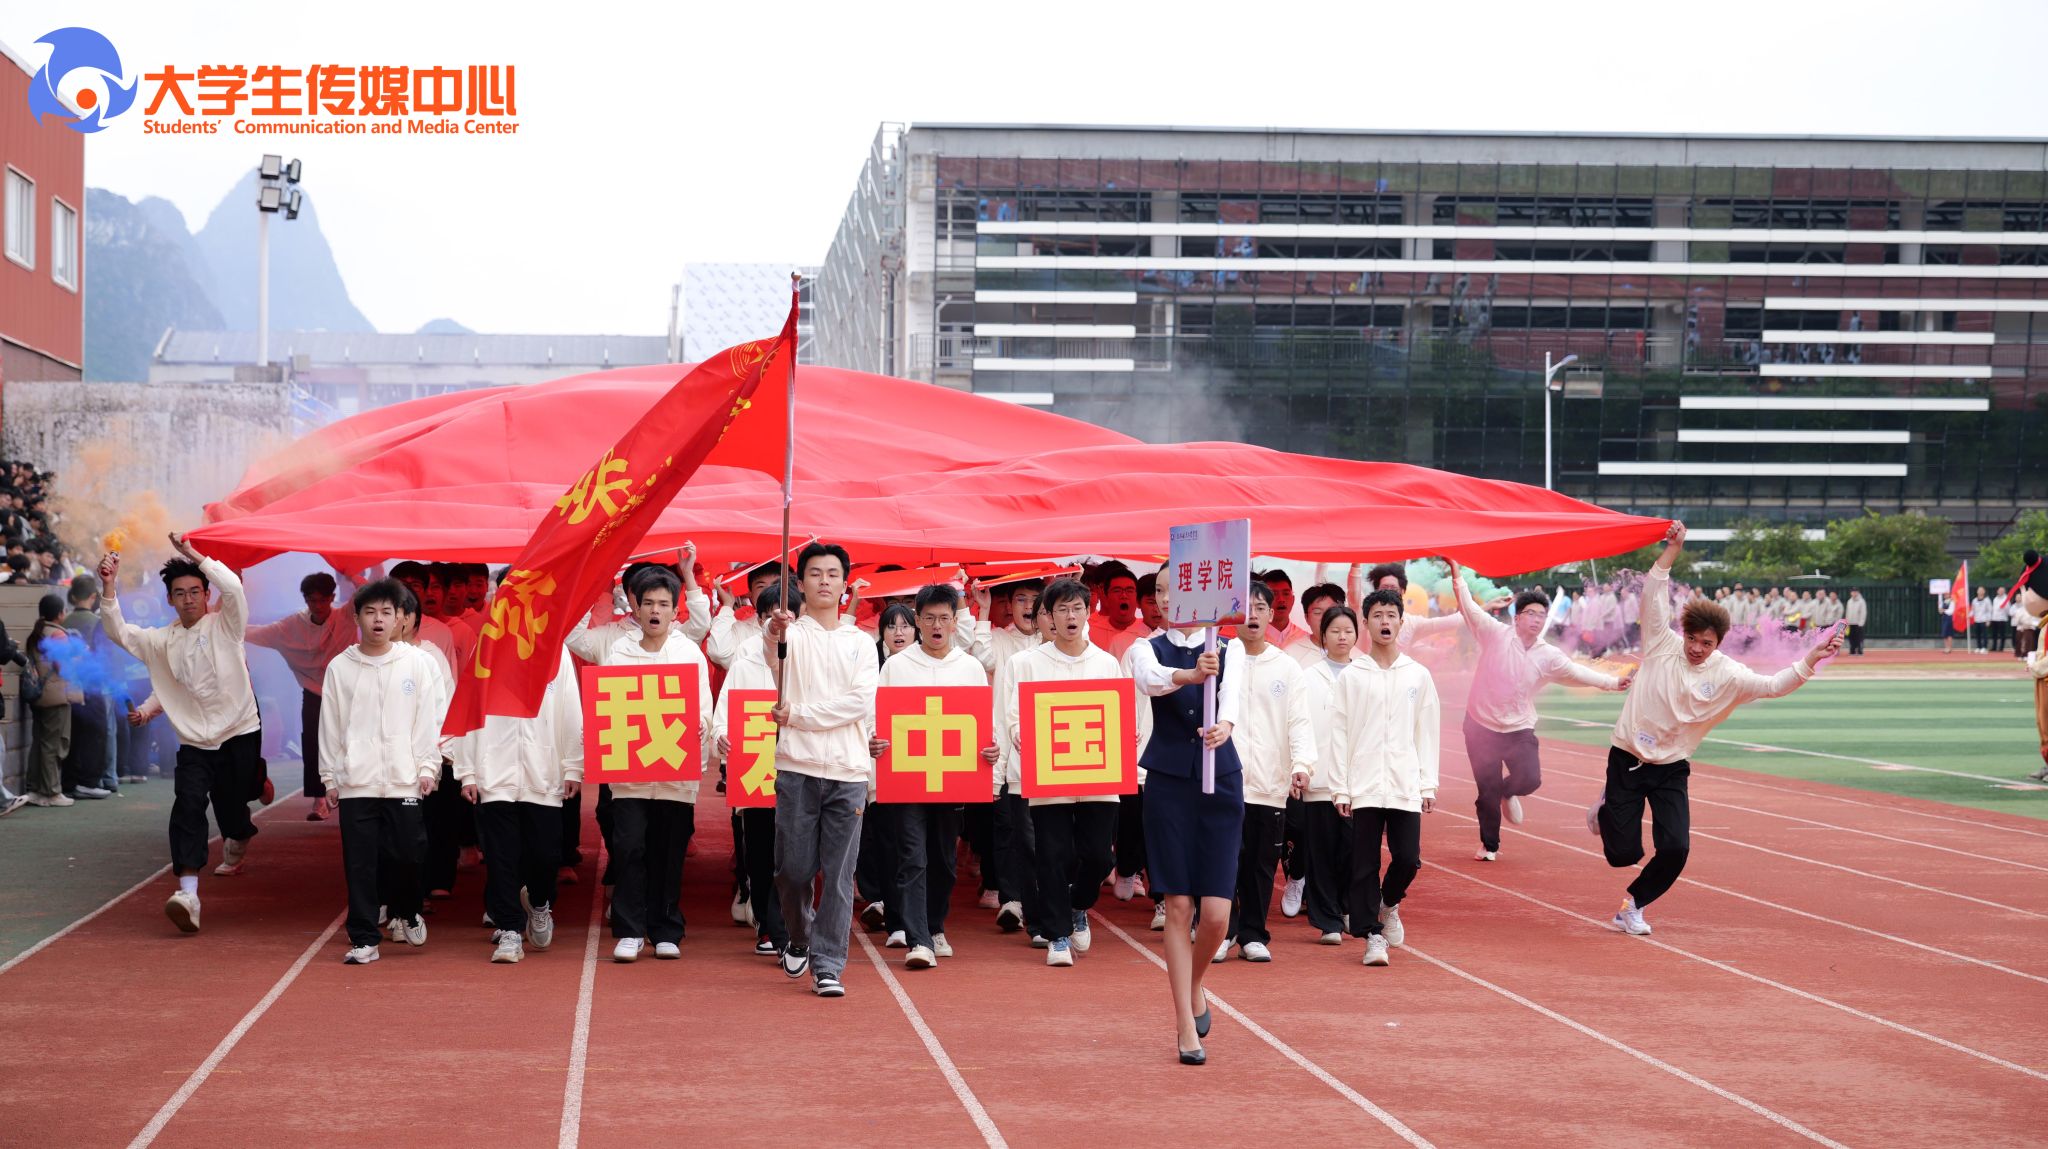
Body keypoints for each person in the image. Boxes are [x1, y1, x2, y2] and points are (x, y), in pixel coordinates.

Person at [1587, 523, 1843, 935]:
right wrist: (1673, 550)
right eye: (1692, 638)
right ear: (1683, 633)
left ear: (1718, 643)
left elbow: (1774, 686)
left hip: (1671, 767)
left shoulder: (1729, 675)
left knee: (1676, 847)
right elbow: (1653, 592)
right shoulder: (1661, 643)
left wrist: (1811, 659)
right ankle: (1605, 809)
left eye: (1706, 643)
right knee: (1622, 853)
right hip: (1627, 758)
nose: (1696, 648)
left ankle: (1633, 906)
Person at [98, 535, 265, 934]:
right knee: (188, 805)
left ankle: (241, 827)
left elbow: (233, 588)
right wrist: (109, 585)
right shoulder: (160, 641)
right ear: (170, 600)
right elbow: (119, 632)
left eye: (194, 592)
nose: (188, 599)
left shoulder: (226, 625)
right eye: (179, 594)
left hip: (240, 731)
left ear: (207, 594)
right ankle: (188, 894)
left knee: (232, 809)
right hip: (194, 744)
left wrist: (193, 554)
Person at [566, 564, 715, 963]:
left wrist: (700, 724)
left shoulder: (688, 652)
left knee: (668, 852)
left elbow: (702, 705)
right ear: (635, 606)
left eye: (663, 604)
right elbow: (609, 706)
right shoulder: (619, 651)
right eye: (648, 603)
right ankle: (630, 930)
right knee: (629, 847)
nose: (655, 611)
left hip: (674, 775)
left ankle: (665, 928)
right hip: (629, 776)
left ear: (674, 610)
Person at [1124, 577, 1244, 1063]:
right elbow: (1150, 680)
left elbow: (1232, 698)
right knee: (1177, 905)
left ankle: (1194, 983)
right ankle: (1183, 1025)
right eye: (1160, 592)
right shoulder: (1144, 648)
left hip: (1222, 780)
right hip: (1169, 784)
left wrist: (1225, 726)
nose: (1169, 599)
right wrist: (1191, 675)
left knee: (1215, 914)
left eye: (1177, 589)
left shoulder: (1229, 648)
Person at [1449, 563, 1630, 862]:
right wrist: (1457, 574)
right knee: (1487, 789)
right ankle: (1490, 845)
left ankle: (1507, 792)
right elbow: (1468, 607)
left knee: (1530, 779)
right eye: (1530, 613)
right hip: (1481, 726)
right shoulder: (1494, 634)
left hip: (1518, 727)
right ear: (1517, 617)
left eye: (1541, 615)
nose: (1536, 619)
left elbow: (1578, 672)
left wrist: (1612, 683)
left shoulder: (1548, 655)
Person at [764, 542, 879, 998]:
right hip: (798, 769)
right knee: (792, 870)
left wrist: (799, 716)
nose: (825, 581)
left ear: (844, 583)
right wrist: (773, 631)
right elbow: (773, 656)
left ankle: (828, 964)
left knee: (839, 876)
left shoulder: (861, 643)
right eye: (815, 573)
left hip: (849, 774)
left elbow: (858, 703)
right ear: (801, 582)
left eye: (833, 573)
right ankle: (799, 935)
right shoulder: (790, 635)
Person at [317, 578, 444, 964]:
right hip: (357, 781)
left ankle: (408, 909)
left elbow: (429, 718)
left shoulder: (417, 663)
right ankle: (364, 937)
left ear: (400, 618)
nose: (378, 619)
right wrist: (330, 777)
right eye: (370, 612)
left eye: (386, 612)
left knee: (408, 854)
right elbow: (331, 724)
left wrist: (428, 766)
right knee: (360, 862)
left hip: (405, 779)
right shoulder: (341, 667)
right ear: (356, 617)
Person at [868, 584, 991, 970]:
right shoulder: (897, 666)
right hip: (907, 778)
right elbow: (877, 715)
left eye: (944, 618)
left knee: (943, 860)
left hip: (951, 778)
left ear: (955, 623)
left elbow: (982, 725)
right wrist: (874, 739)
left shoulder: (970, 668)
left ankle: (935, 926)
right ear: (918, 621)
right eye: (929, 618)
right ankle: (918, 939)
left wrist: (990, 750)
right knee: (912, 856)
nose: (937, 625)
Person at [1005, 577, 1124, 968]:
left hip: (1098, 775)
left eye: (1077, 608)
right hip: (1049, 774)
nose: (1070, 616)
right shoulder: (1027, 664)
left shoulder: (1106, 663)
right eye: (1062, 609)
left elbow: (1120, 713)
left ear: (1088, 613)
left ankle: (1078, 904)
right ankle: (1057, 935)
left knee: (1098, 856)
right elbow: (1012, 713)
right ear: (1049, 616)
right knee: (1052, 855)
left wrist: (1125, 734)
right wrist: (1019, 732)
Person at [452, 643, 582, 965]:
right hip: (495, 772)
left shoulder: (556, 650)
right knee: (501, 857)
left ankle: (539, 904)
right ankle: (509, 928)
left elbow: (570, 710)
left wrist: (573, 766)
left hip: (543, 773)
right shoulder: (487, 646)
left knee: (545, 855)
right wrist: (467, 771)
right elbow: (469, 706)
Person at [1331, 588, 1441, 968]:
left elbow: (1427, 731)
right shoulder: (1353, 675)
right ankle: (1372, 936)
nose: (1385, 622)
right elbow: (1340, 732)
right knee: (1363, 864)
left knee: (1407, 858)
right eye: (1377, 615)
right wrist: (1341, 787)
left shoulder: (1417, 676)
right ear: (1366, 623)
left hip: (1403, 782)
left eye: (1391, 615)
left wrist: (1427, 783)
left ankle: (1389, 902)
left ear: (1401, 622)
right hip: (1362, 784)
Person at [1216, 581, 1315, 965]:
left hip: (1269, 783)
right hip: (1225, 780)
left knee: (1261, 863)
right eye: (1246, 608)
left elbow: (1300, 721)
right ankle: (1223, 931)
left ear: (1272, 614)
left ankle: (1254, 934)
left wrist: (1301, 765)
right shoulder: (1220, 659)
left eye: (1261, 608)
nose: (1253, 615)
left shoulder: (1286, 667)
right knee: (1225, 860)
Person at [714, 581, 796, 959]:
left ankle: (789, 925)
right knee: (760, 850)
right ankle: (768, 925)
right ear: (760, 620)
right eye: (769, 617)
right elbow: (725, 708)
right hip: (755, 766)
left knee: (794, 851)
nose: (777, 624)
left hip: (798, 764)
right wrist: (721, 735)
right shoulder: (746, 658)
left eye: (787, 617)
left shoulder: (809, 657)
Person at [247, 570, 359, 820]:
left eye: (323, 600)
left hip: (349, 692)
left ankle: (354, 793)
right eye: (312, 600)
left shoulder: (347, 616)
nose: (317, 606)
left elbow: (367, 593)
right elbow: (256, 632)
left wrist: (351, 572)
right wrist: (220, 625)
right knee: (312, 744)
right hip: (314, 693)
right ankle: (319, 799)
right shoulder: (292, 625)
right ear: (305, 599)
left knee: (351, 742)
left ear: (332, 597)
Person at [984, 582, 1047, 938]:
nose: (1028, 607)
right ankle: (1012, 899)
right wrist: (980, 610)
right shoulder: (999, 640)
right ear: (1009, 605)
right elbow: (981, 655)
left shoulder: (1051, 645)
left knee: (1043, 833)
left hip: (1052, 752)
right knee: (1009, 827)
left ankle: (1045, 899)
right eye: (1021, 599)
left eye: (1035, 601)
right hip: (1007, 750)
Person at [1296, 605, 1361, 945]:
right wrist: (1301, 766)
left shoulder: (1365, 674)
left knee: (1353, 849)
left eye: (1348, 631)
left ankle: (1347, 906)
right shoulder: (1308, 677)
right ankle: (1328, 921)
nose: (1341, 637)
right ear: (1323, 636)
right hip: (1320, 779)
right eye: (1334, 631)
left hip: (1358, 781)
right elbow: (1299, 725)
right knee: (1320, 852)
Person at [61, 576, 120, 798]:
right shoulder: (97, 622)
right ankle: (89, 781)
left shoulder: (64, 620)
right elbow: (105, 657)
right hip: (93, 687)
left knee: (74, 735)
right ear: (93, 596)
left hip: (68, 686)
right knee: (96, 734)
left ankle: (70, 782)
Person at [25, 595, 81, 806]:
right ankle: (51, 792)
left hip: (40, 696)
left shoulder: (37, 633)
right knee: (54, 745)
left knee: (40, 743)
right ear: (60, 613)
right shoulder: (58, 634)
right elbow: (63, 667)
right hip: (56, 696)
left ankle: (35, 789)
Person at [1087, 561, 1149, 658]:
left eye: (1129, 590)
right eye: (1117, 591)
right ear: (1106, 595)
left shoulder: (1149, 633)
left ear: (1137, 597)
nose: (1123, 595)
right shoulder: (1089, 634)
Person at [1845, 589, 1869, 657]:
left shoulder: (1861, 601)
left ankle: (1859, 650)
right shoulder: (1849, 601)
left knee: (1859, 637)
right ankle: (1852, 650)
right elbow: (1847, 612)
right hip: (1850, 623)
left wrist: (1861, 622)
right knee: (1851, 637)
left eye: (1855, 592)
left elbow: (1863, 612)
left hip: (1858, 623)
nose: (1854, 593)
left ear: (1858, 592)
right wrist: (1847, 621)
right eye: (1852, 592)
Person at [1972, 586, 1994, 655]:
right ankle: (1978, 647)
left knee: (1984, 635)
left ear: (1984, 592)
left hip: (1984, 620)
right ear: (1977, 591)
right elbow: (1973, 610)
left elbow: (1990, 610)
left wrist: (1988, 620)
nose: (1980, 591)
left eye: (1982, 590)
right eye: (1979, 590)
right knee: (1977, 634)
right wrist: (1969, 615)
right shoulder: (1974, 600)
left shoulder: (1987, 600)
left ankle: (1984, 647)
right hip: (1977, 620)